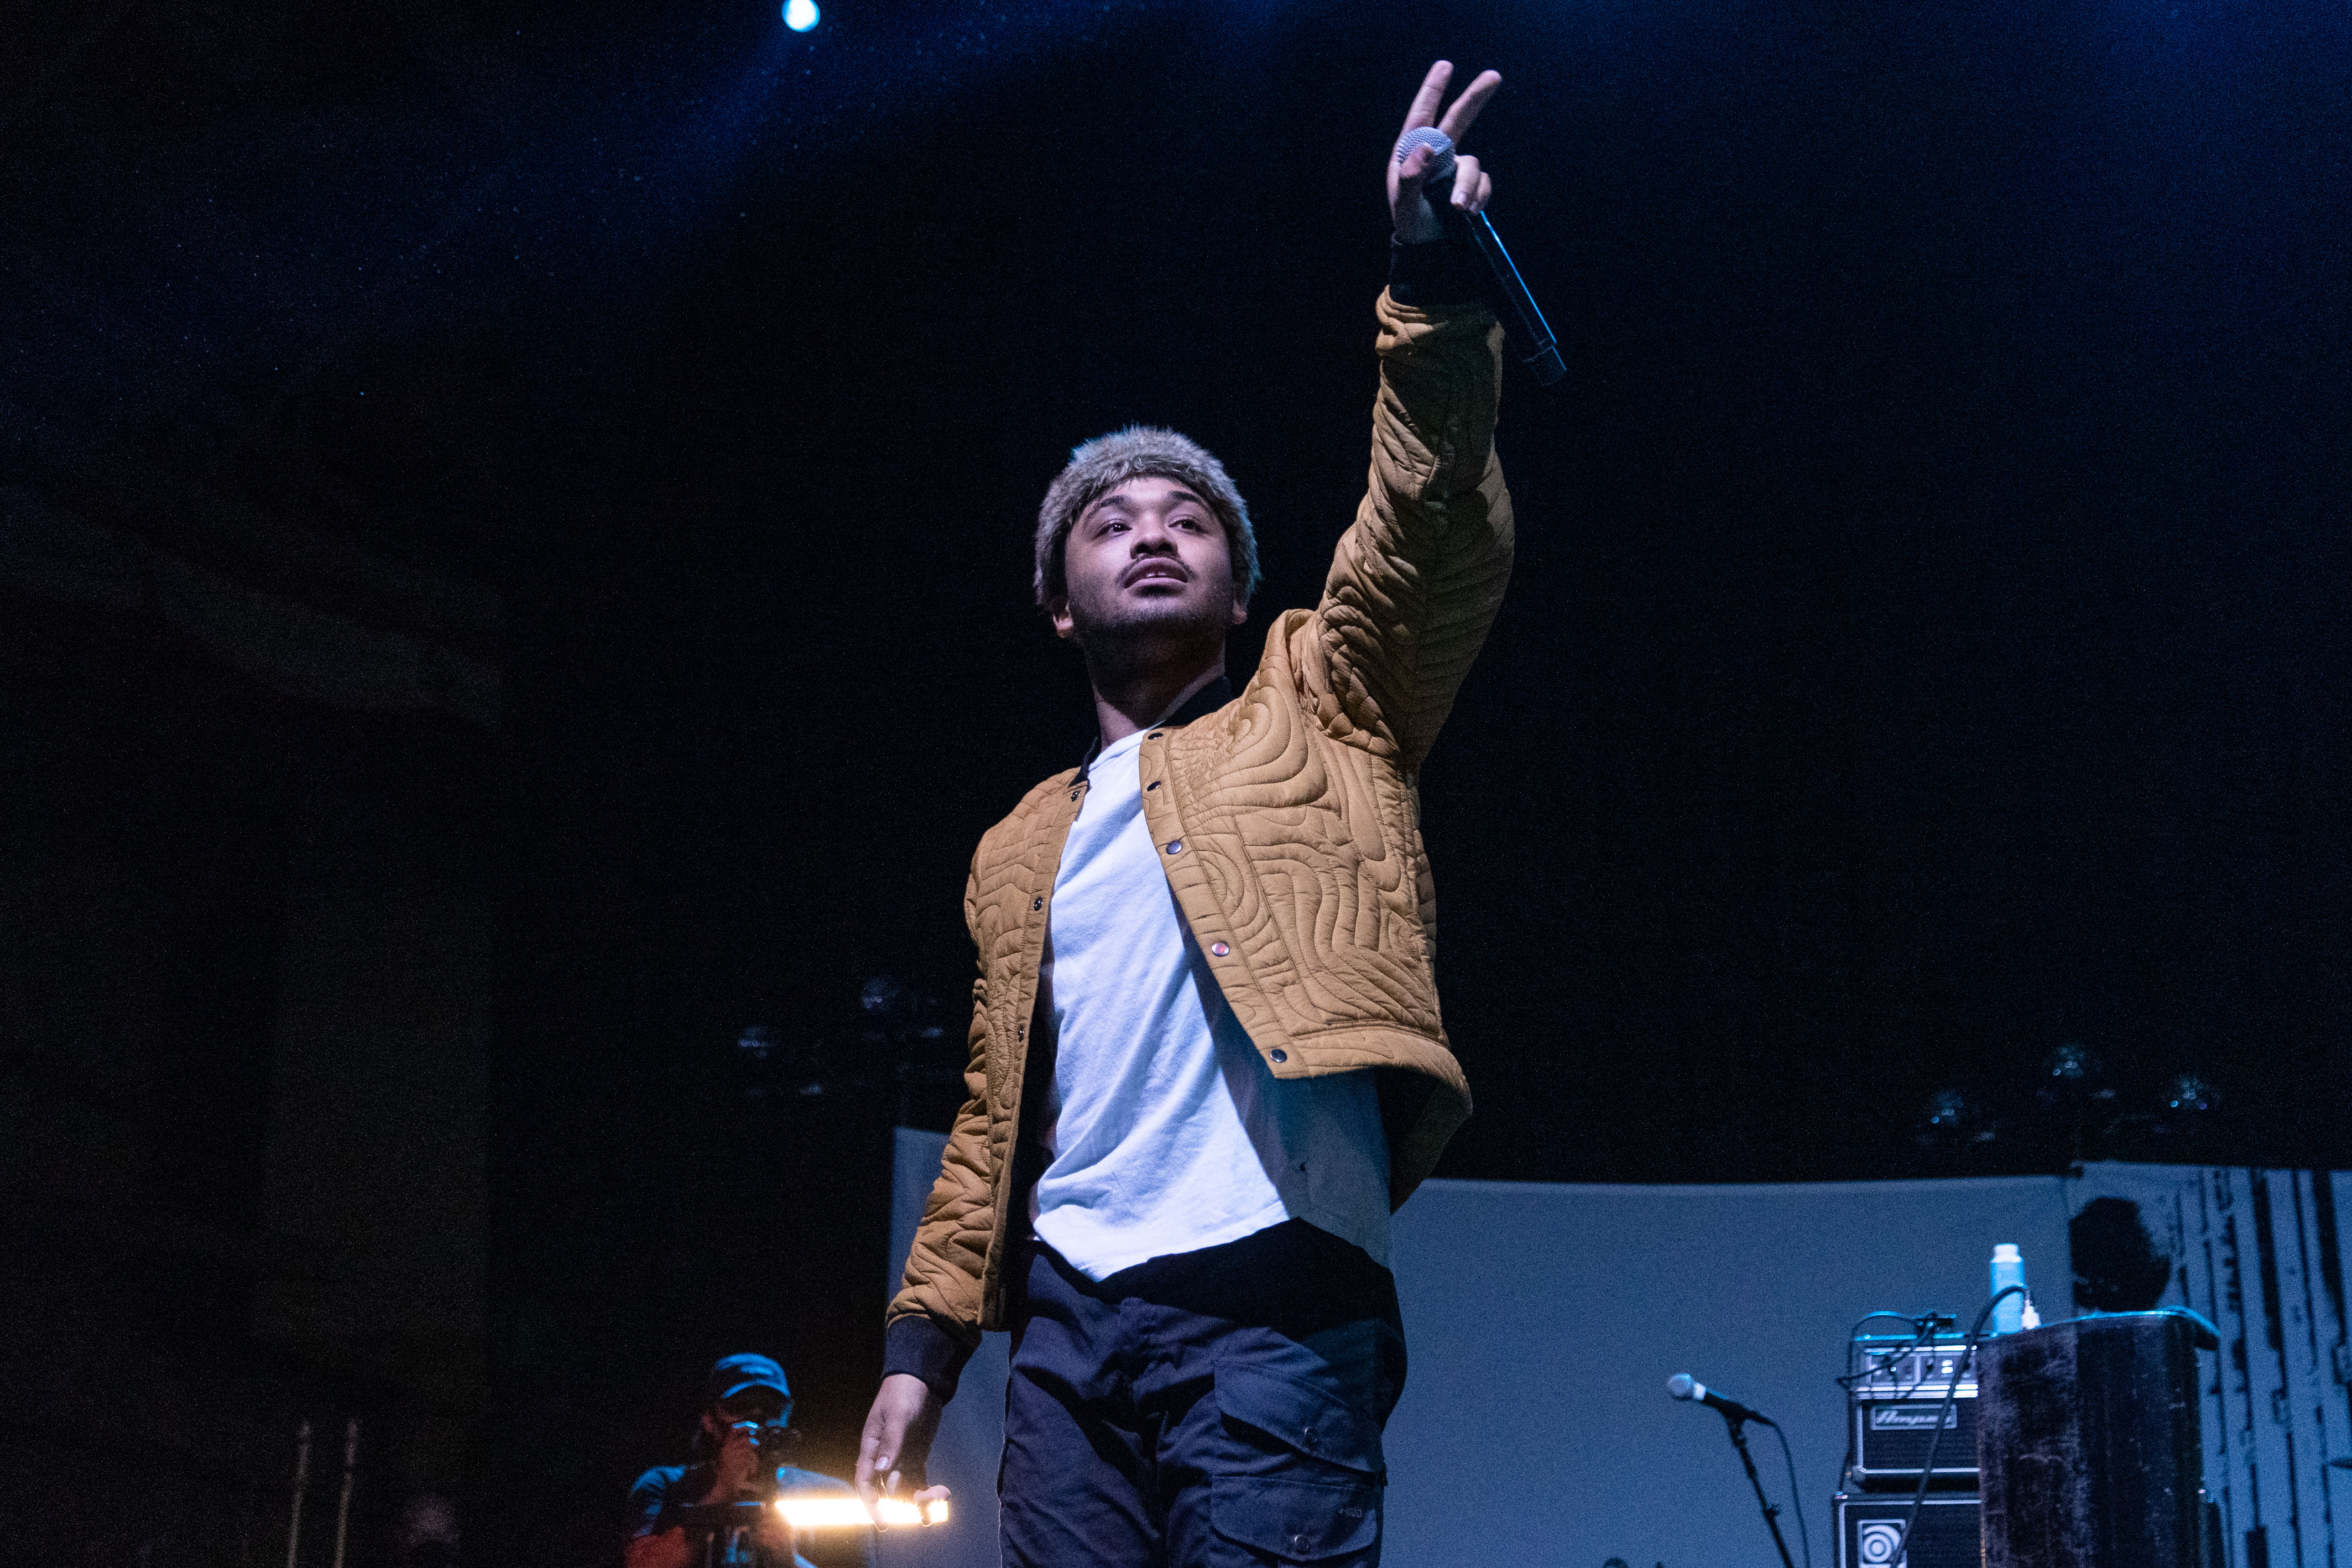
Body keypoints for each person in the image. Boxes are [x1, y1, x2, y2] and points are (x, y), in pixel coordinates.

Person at [855, 58, 1515, 1568]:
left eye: (1189, 519)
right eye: (1109, 521)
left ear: (1234, 585)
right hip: (1070, 1322)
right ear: (1057, 601)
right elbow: (992, 1112)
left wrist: (1427, 276)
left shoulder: (1322, 696)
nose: (1151, 533)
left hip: (1275, 1292)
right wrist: (920, 1349)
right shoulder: (1019, 842)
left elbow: (1421, 522)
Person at [628, 1354, 873, 1568]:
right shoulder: (666, 1486)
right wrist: (721, 1492)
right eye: (741, 1406)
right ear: (710, 1420)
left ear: (787, 1415)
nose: (757, 1420)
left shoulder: (829, 1494)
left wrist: (788, 1560)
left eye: (771, 1409)